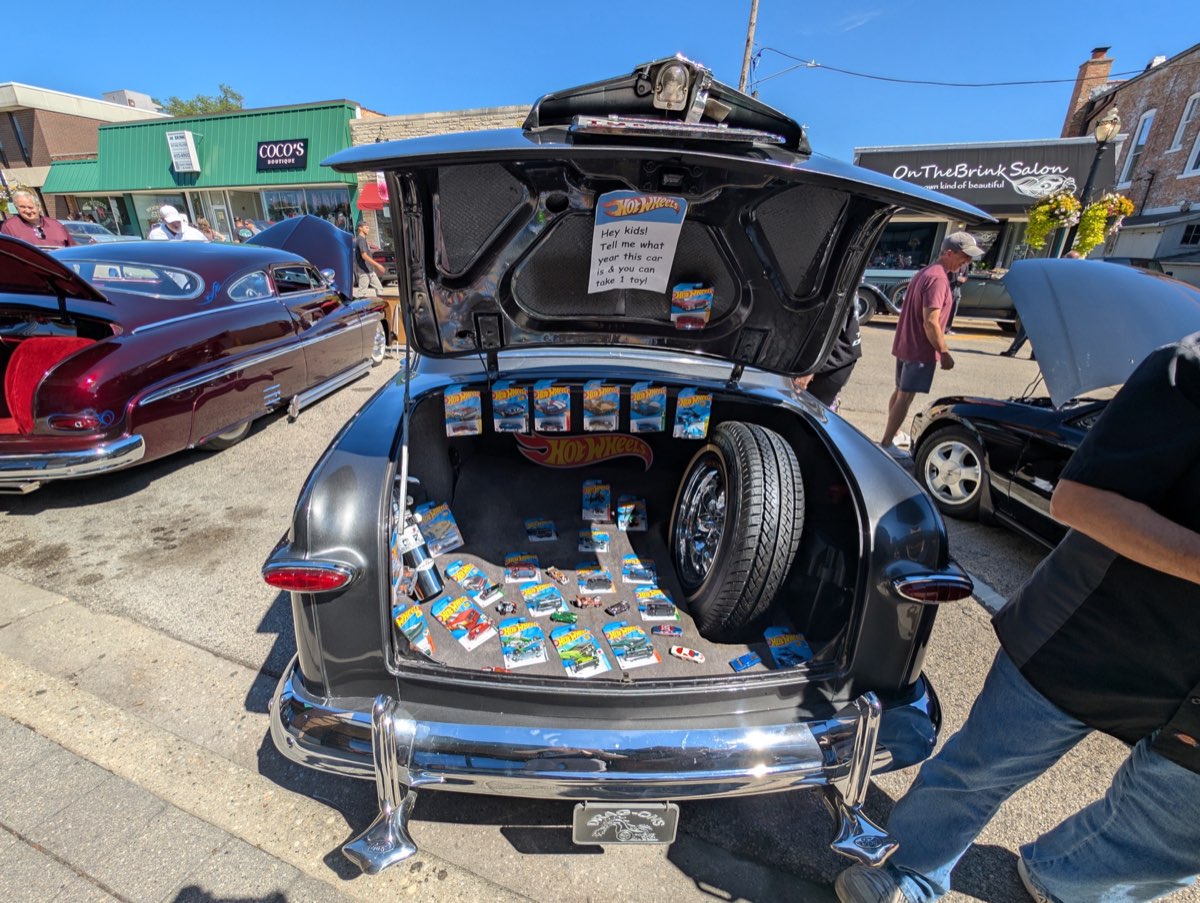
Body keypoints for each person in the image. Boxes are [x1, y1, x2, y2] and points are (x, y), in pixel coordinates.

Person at [836, 331, 1200, 903]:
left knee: (1175, 835)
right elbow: (1080, 499)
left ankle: (1067, 880)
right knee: (979, 770)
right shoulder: (1190, 368)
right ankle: (911, 868)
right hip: (1092, 636)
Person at [879, 232, 984, 459]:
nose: (967, 261)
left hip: (907, 343)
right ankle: (887, 443)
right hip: (919, 348)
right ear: (949, 253)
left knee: (900, 391)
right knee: (905, 396)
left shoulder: (926, 272)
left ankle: (893, 434)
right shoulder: (938, 279)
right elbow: (931, 322)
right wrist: (943, 352)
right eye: (965, 256)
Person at [1002, 251, 1081, 358]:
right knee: (1039, 331)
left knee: (1028, 328)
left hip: (1046, 304)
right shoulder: (1070, 273)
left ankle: (1015, 351)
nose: (1063, 258)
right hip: (1050, 305)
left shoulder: (1062, 271)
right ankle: (1033, 354)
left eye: (1066, 257)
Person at [794, 302, 862, 411]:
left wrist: (810, 369)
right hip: (840, 354)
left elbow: (830, 322)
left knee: (810, 413)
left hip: (830, 361)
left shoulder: (836, 294)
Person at [1, 189, 74, 249]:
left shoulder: (56, 225)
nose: (28, 211)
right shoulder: (10, 227)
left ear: (38, 207)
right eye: (22, 207)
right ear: (16, 208)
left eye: (31, 207)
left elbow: (72, 250)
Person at [354, 221, 387, 295]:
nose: (368, 229)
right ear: (360, 228)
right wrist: (378, 265)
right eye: (366, 227)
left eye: (368, 228)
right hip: (364, 271)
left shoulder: (363, 240)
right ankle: (357, 302)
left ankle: (380, 301)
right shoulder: (361, 240)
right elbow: (364, 256)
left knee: (380, 289)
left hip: (370, 270)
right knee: (361, 293)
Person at [945, 261, 969, 334]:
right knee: (946, 309)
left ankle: (947, 328)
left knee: (953, 310)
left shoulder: (966, 265)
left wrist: (963, 279)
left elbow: (966, 276)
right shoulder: (954, 262)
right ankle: (942, 326)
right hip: (949, 287)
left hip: (957, 287)